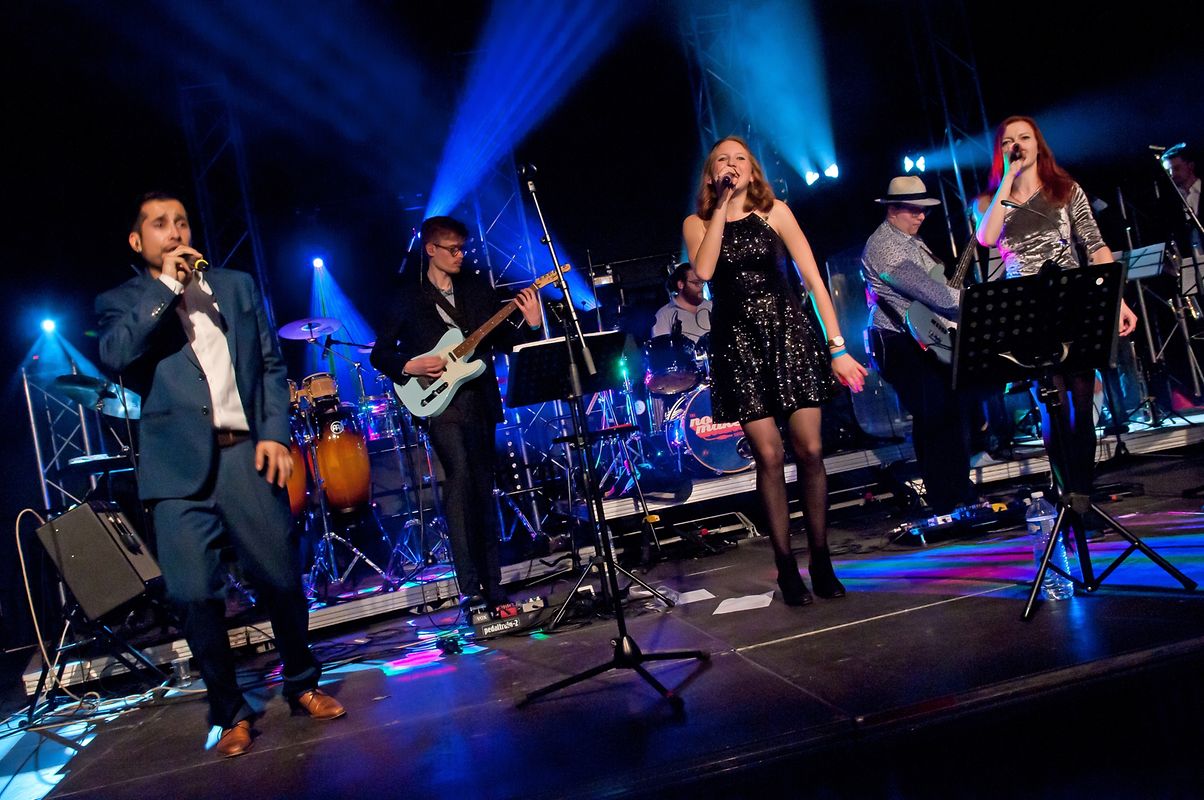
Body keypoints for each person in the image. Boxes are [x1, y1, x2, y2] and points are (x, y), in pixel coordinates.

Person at [96, 191, 343, 759]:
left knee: (281, 578)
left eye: (181, 221)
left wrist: (275, 434)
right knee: (192, 594)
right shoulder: (121, 302)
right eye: (160, 224)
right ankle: (230, 712)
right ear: (137, 240)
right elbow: (115, 355)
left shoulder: (235, 286)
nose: (175, 232)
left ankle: (302, 683)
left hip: (243, 455)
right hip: (175, 472)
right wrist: (166, 287)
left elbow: (271, 363)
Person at [683, 136, 867, 606]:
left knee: (811, 448)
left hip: (788, 335)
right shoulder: (697, 223)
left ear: (753, 169)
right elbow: (705, 272)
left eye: (740, 158)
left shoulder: (776, 212)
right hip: (738, 346)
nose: (732, 164)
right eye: (722, 160)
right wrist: (721, 207)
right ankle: (786, 566)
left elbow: (813, 280)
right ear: (711, 174)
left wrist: (838, 347)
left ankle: (821, 558)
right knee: (768, 455)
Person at [370, 216, 541, 611]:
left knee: (483, 488)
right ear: (431, 249)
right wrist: (408, 365)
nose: (460, 255)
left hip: (479, 399)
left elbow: (506, 341)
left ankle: (493, 585)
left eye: (463, 248)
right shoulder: (408, 297)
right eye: (453, 249)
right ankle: (469, 586)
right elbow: (381, 353)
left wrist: (532, 326)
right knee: (459, 479)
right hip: (440, 404)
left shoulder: (476, 289)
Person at [976, 116, 1138, 502]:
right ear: (1001, 151)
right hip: (1028, 311)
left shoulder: (1065, 190)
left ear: (1038, 144)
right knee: (1053, 405)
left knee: (1081, 404)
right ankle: (1067, 493)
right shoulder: (991, 201)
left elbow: (1095, 246)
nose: (1017, 145)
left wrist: (1117, 300)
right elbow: (986, 237)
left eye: (1025, 137)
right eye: (1008, 141)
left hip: (1073, 302)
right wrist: (1008, 178)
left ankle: (1082, 494)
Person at [862, 176, 978, 514]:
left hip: (920, 336)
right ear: (893, 210)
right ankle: (946, 498)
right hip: (898, 341)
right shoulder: (885, 246)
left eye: (923, 210)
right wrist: (975, 302)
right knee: (934, 413)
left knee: (947, 412)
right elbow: (932, 293)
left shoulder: (910, 240)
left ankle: (958, 492)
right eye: (914, 210)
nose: (921, 216)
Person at [651, 262, 713, 341]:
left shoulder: (711, 306)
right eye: (696, 283)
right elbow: (662, 346)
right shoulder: (663, 315)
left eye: (702, 283)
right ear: (681, 284)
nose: (701, 287)